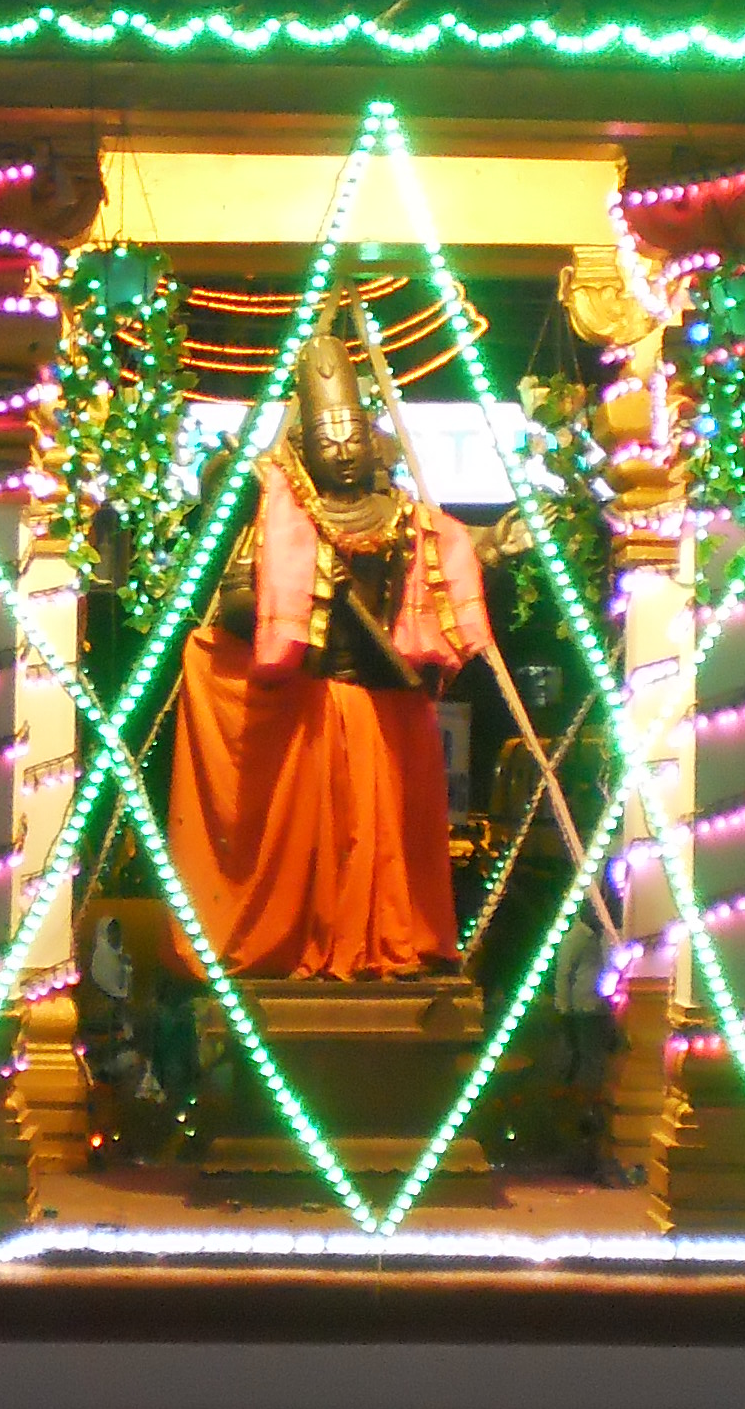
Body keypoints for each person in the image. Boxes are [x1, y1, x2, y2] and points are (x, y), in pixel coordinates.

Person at [166, 329, 497, 981]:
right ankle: (305, 940)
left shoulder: (405, 518)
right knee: (310, 847)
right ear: (303, 450)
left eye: (353, 442)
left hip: (380, 700)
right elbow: (239, 604)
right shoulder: (279, 519)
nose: (342, 456)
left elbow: (444, 574)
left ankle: (385, 943)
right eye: (327, 444)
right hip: (309, 705)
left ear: (375, 446)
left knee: (381, 842)